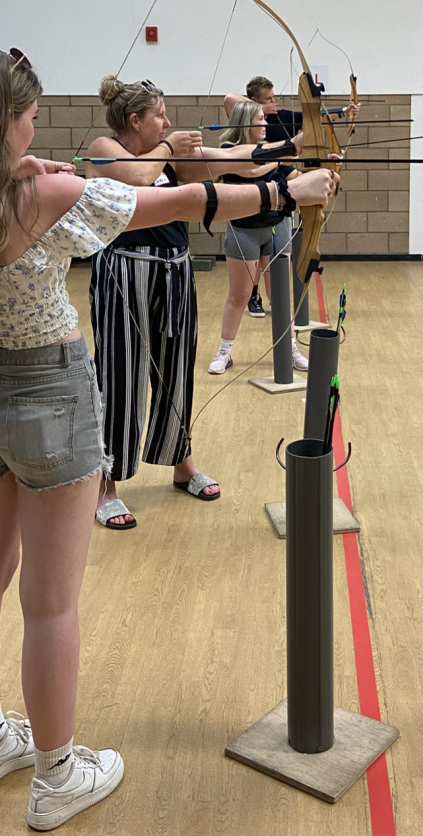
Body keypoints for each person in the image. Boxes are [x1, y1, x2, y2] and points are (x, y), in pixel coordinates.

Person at [0, 46, 336, 829]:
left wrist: (23, 165)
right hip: (49, 395)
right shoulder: (51, 194)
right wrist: (284, 188)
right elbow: (183, 203)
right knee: (50, 605)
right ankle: (57, 774)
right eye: (25, 118)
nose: (34, 128)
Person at [86, 76, 335, 529]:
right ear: (134, 120)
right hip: (124, 270)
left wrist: (295, 146)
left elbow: (237, 159)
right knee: (121, 372)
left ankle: (180, 460)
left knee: (177, 365)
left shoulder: (171, 157)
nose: (166, 122)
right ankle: (106, 481)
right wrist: (169, 148)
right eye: (158, 115)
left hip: (174, 269)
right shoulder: (104, 149)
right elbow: (137, 177)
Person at [224, 76, 360, 315]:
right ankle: (252, 299)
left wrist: (343, 112)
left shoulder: (282, 117)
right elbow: (229, 100)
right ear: (253, 102)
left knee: (274, 271)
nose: (273, 104)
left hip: (279, 190)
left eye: (274, 98)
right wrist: (260, 111)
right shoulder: (243, 128)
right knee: (248, 270)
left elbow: (312, 118)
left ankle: (283, 323)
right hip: (249, 203)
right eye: (267, 100)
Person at [208, 100, 306, 375]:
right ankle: (224, 352)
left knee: (280, 295)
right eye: (259, 119)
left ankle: (291, 348)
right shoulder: (229, 151)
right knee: (239, 295)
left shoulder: (270, 151)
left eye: (265, 119)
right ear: (244, 123)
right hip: (243, 231)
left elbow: (295, 175)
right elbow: (249, 169)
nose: (265, 124)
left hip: (277, 228)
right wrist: (282, 154)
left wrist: (323, 167)